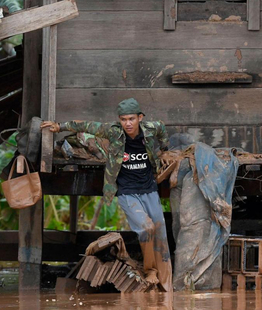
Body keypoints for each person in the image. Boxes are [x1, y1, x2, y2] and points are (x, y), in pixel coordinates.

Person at [41, 98, 173, 291]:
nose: (127, 123)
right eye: (123, 119)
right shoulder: (114, 132)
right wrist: (59, 126)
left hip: (149, 188)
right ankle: (151, 270)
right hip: (126, 191)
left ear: (140, 118)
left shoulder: (152, 128)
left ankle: (165, 281)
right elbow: (86, 125)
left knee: (159, 232)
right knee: (146, 228)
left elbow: (162, 131)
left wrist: (164, 149)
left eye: (131, 119)